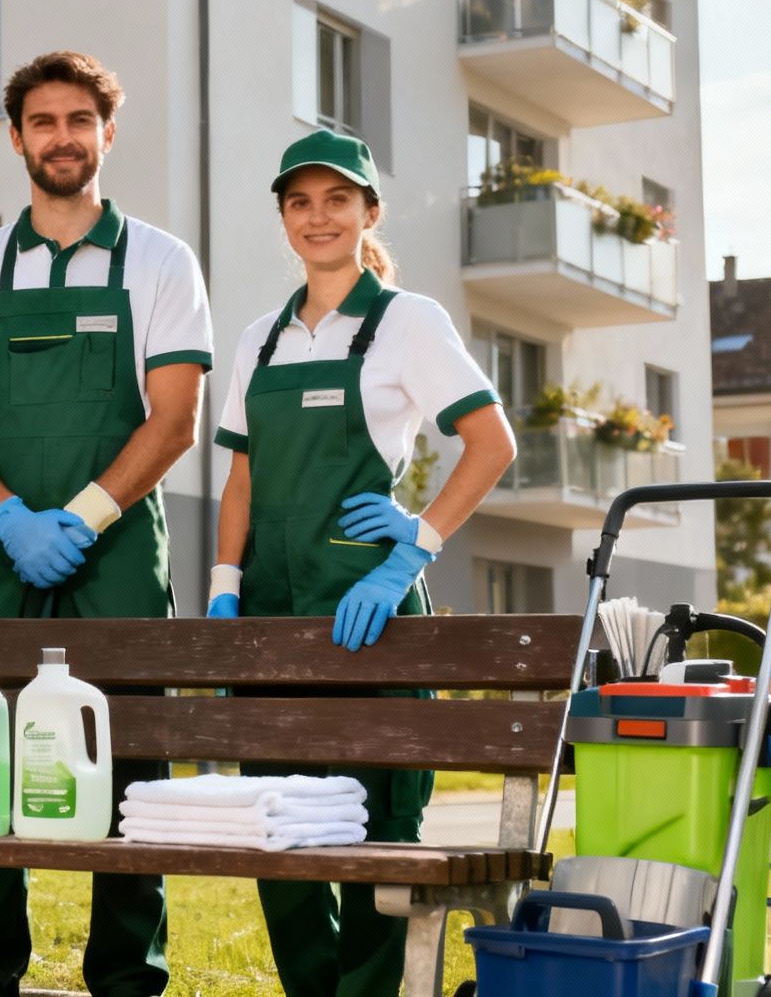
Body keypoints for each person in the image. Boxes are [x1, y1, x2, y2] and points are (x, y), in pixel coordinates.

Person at [0, 51, 213, 997]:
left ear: (107, 134)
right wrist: (10, 519)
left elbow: (175, 419)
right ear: (17, 139)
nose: (61, 137)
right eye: (43, 122)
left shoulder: (163, 262)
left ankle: (130, 979)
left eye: (79, 120)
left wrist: (81, 520)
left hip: (119, 549)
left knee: (132, 765)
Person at [206, 129, 515, 997]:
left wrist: (413, 543)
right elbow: (241, 478)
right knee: (279, 828)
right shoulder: (259, 339)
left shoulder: (406, 320)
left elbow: (491, 445)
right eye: (299, 202)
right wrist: (227, 589)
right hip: (271, 615)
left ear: (368, 211)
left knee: (379, 831)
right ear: (283, 219)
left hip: (372, 612)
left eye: (337, 200)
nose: (318, 217)